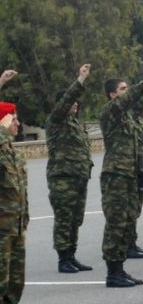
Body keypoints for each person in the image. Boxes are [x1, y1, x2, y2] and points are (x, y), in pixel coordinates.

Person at [100, 62, 143, 288]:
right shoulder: (110, 112)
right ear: (112, 95)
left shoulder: (129, 116)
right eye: (122, 89)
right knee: (116, 223)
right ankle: (113, 272)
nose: (126, 92)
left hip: (131, 174)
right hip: (116, 176)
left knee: (128, 221)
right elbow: (131, 98)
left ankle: (120, 268)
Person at [45, 64, 94, 273]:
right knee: (64, 218)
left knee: (76, 218)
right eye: (70, 102)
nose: (74, 104)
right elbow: (65, 102)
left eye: (76, 102)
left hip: (79, 178)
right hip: (62, 179)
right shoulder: (56, 122)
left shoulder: (76, 125)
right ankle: (63, 258)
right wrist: (81, 79)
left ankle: (71, 255)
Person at [0, 97, 32, 304]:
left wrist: (25, 222)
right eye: (14, 118)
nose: (18, 123)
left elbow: (21, 190)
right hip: (1, 227)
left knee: (15, 279)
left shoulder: (13, 153)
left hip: (16, 225)